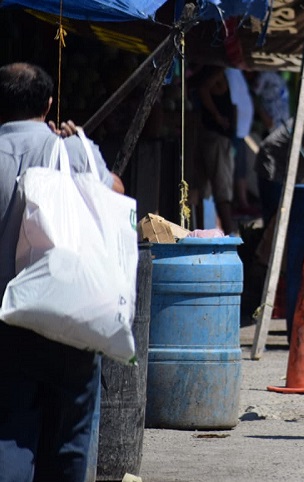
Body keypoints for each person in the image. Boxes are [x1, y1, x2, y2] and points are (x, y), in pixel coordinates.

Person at [0, 62, 123, 481]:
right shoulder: (69, 150)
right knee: (69, 439)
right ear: (49, 103)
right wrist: (82, 144)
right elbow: (115, 192)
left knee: (9, 433)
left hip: (5, 319)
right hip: (69, 316)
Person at [194, 65, 237, 234]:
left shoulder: (209, 71)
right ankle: (229, 237)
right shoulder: (216, 71)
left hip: (211, 136)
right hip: (216, 138)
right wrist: (217, 116)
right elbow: (203, 89)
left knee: (205, 191)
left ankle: (204, 232)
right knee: (222, 192)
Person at [224, 67, 257, 216]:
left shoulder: (236, 71)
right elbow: (234, 103)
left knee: (240, 169)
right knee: (235, 170)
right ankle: (238, 203)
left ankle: (242, 203)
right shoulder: (229, 71)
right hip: (236, 131)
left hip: (241, 131)